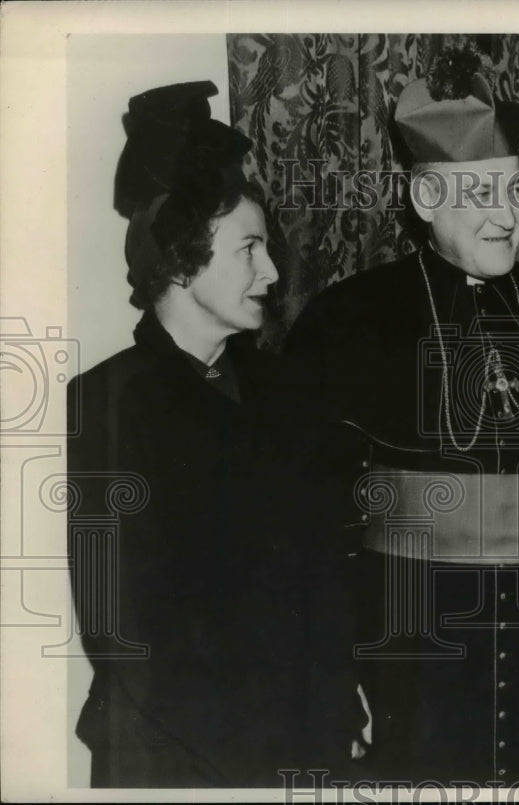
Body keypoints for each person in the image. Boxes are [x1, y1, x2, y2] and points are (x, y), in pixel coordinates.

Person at [285, 47, 519, 784]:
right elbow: (305, 522)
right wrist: (335, 669)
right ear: (425, 198)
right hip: (407, 658)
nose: (509, 216)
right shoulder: (349, 319)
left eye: (517, 190)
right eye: (482, 193)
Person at [68, 82, 363, 787]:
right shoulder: (109, 402)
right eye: (249, 249)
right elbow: (122, 626)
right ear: (180, 258)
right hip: (173, 747)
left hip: (298, 738)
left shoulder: (287, 389)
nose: (272, 271)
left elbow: (324, 568)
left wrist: (340, 694)